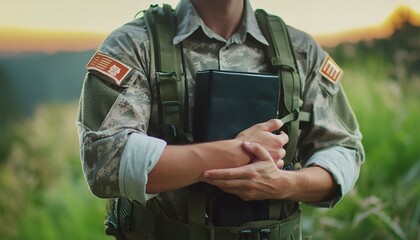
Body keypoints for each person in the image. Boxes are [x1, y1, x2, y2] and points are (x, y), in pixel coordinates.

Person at [77, 0, 364, 239]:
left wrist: (285, 184)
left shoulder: (300, 50)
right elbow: (105, 162)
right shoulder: (135, 45)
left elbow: (344, 151)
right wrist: (233, 154)